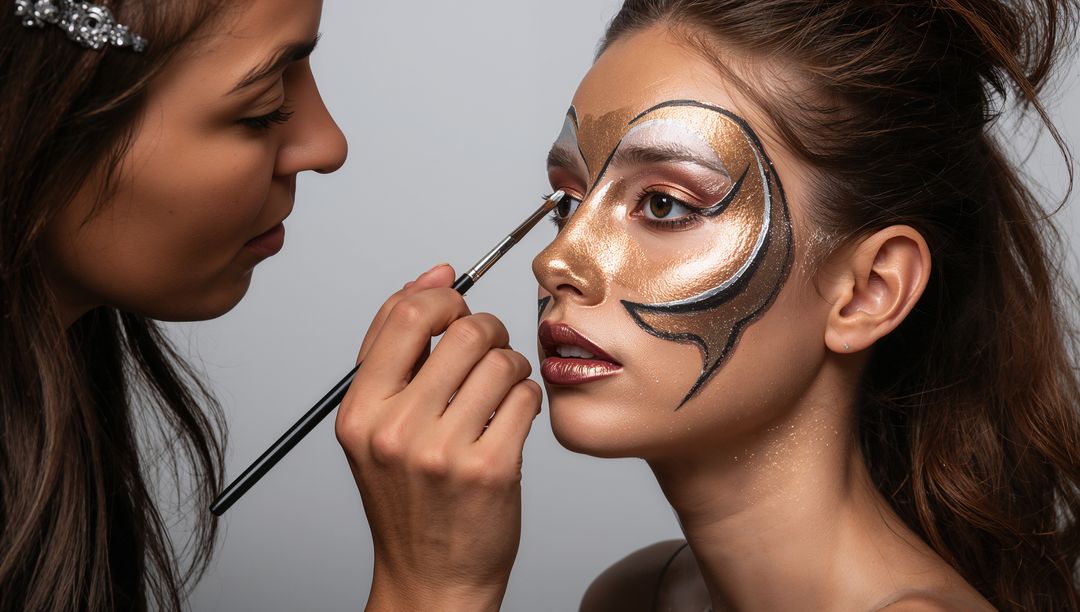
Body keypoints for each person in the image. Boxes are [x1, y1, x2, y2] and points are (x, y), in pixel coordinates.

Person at [530, 0, 1080, 610]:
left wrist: (434, 588)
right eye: (568, 202)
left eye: (665, 204)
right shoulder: (632, 596)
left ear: (869, 292)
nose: (557, 261)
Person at [0, 1, 539, 610]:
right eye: (260, 110)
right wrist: (435, 590)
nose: (328, 145)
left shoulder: (53, 429)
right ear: (32, 122)